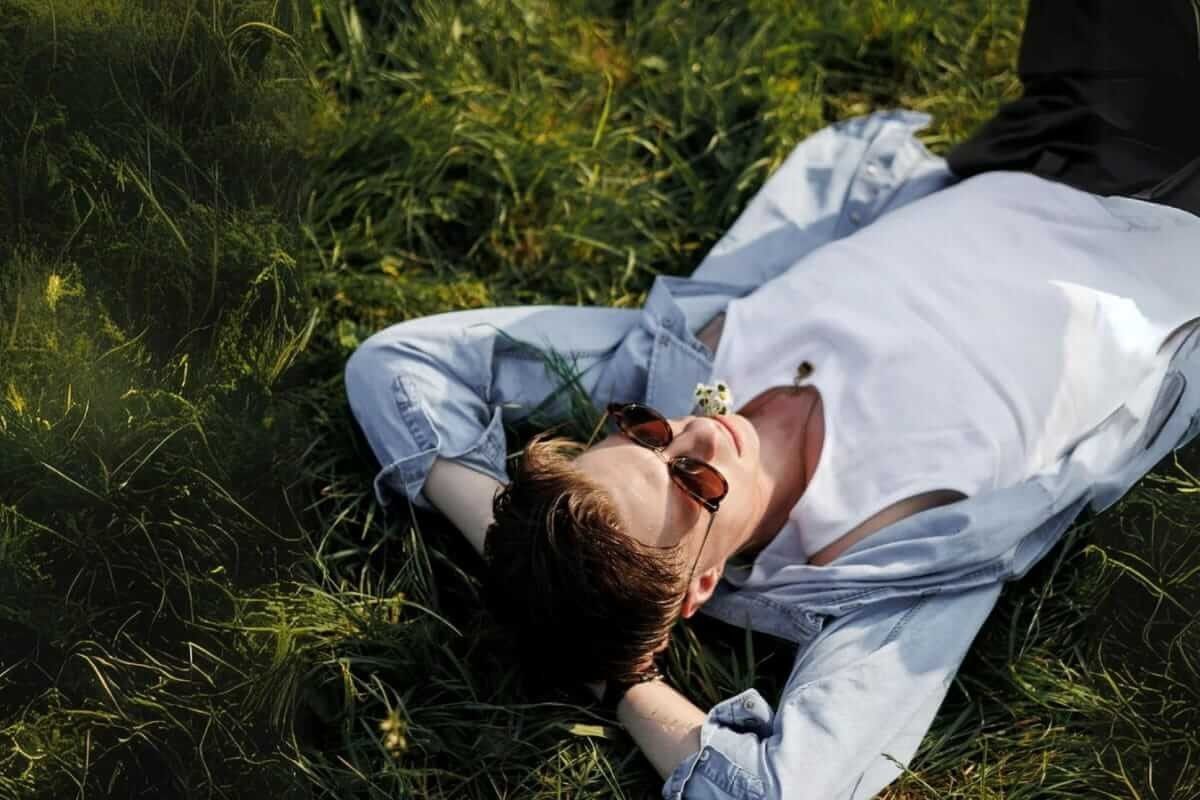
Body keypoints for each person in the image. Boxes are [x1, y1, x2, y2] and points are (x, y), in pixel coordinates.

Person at [343, 3, 1200, 798]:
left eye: (644, 434)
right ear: (701, 585)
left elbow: (397, 365)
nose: (699, 434)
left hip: (1063, 142)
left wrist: (511, 545)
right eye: (692, 484)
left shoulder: (685, 362)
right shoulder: (872, 562)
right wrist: (624, 677)